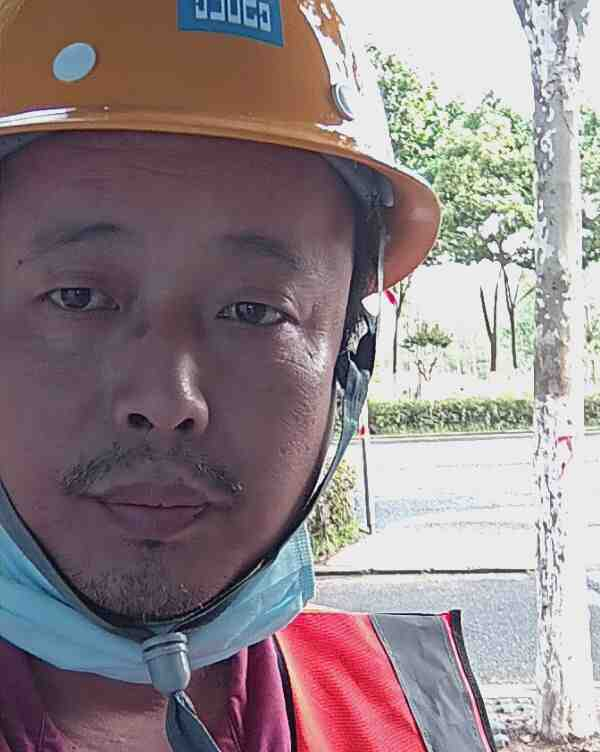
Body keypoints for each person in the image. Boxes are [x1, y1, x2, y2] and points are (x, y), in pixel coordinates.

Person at [0, 1, 497, 750]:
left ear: (346, 361)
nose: (167, 400)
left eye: (255, 311)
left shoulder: (416, 712)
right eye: (78, 298)